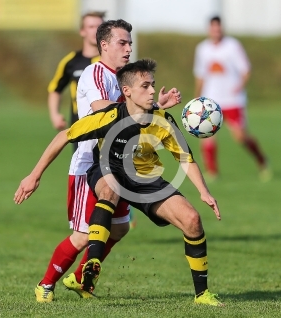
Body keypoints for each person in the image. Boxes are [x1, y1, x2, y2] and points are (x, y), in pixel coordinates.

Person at [14, 59, 224, 306]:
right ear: (127, 91)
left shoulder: (163, 120)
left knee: (192, 220)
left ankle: (202, 295)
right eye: (145, 86)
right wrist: (34, 175)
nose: (152, 91)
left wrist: (204, 192)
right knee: (108, 192)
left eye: (152, 85)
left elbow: (185, 159)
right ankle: (91, 263)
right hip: (108, 171)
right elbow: (64, 136)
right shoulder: (109, 116)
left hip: (145, 179)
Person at [15, 19, 181, 303]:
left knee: (119, 228)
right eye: (122, 43)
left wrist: (154, 106)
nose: (129, 48)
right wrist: (34, 175)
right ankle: (45, 285)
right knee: (83, 236)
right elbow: (100, 108)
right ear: (104, 45)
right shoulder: (95, 73)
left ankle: (81, 278)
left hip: (120, 165)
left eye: (130, 42)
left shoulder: (128, 76)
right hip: (89, 165)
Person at [193, 16, 271, 182]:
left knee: (240, 137)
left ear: (222, 29)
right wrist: (197, 97)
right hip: (211, 100)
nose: (216, 31)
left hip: (232, 99)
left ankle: (261, 159)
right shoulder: (202, 49)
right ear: (209, 29)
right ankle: (212, 172)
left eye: (218, 28)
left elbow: (246, 70)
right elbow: (200, 75)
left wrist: (240, 86)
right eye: (213, 28)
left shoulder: (233, 46)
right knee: (207, 135)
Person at [48, 11, 104, 152]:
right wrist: (55, 114)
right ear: (82, 31)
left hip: (108, 126)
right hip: (80, 127)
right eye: (91, 26)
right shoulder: (71, 61)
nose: (96, 31)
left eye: (100, 26)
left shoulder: (113, 61)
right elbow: (55, 89)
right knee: (84, 171)